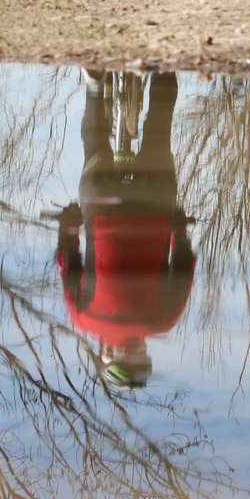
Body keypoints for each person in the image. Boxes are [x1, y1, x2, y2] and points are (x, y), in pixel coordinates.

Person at [55, 70, 195, 389]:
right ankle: (93, 85)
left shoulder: (163, 320)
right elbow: (68, 262)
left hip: (155, 202)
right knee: (94, 149)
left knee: (159, 130)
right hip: (101, 205)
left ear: (141, 352)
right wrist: (68, 225)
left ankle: (164, 68)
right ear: (105, 353)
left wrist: (178, 229)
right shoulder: (84, 319)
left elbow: (185, 265)